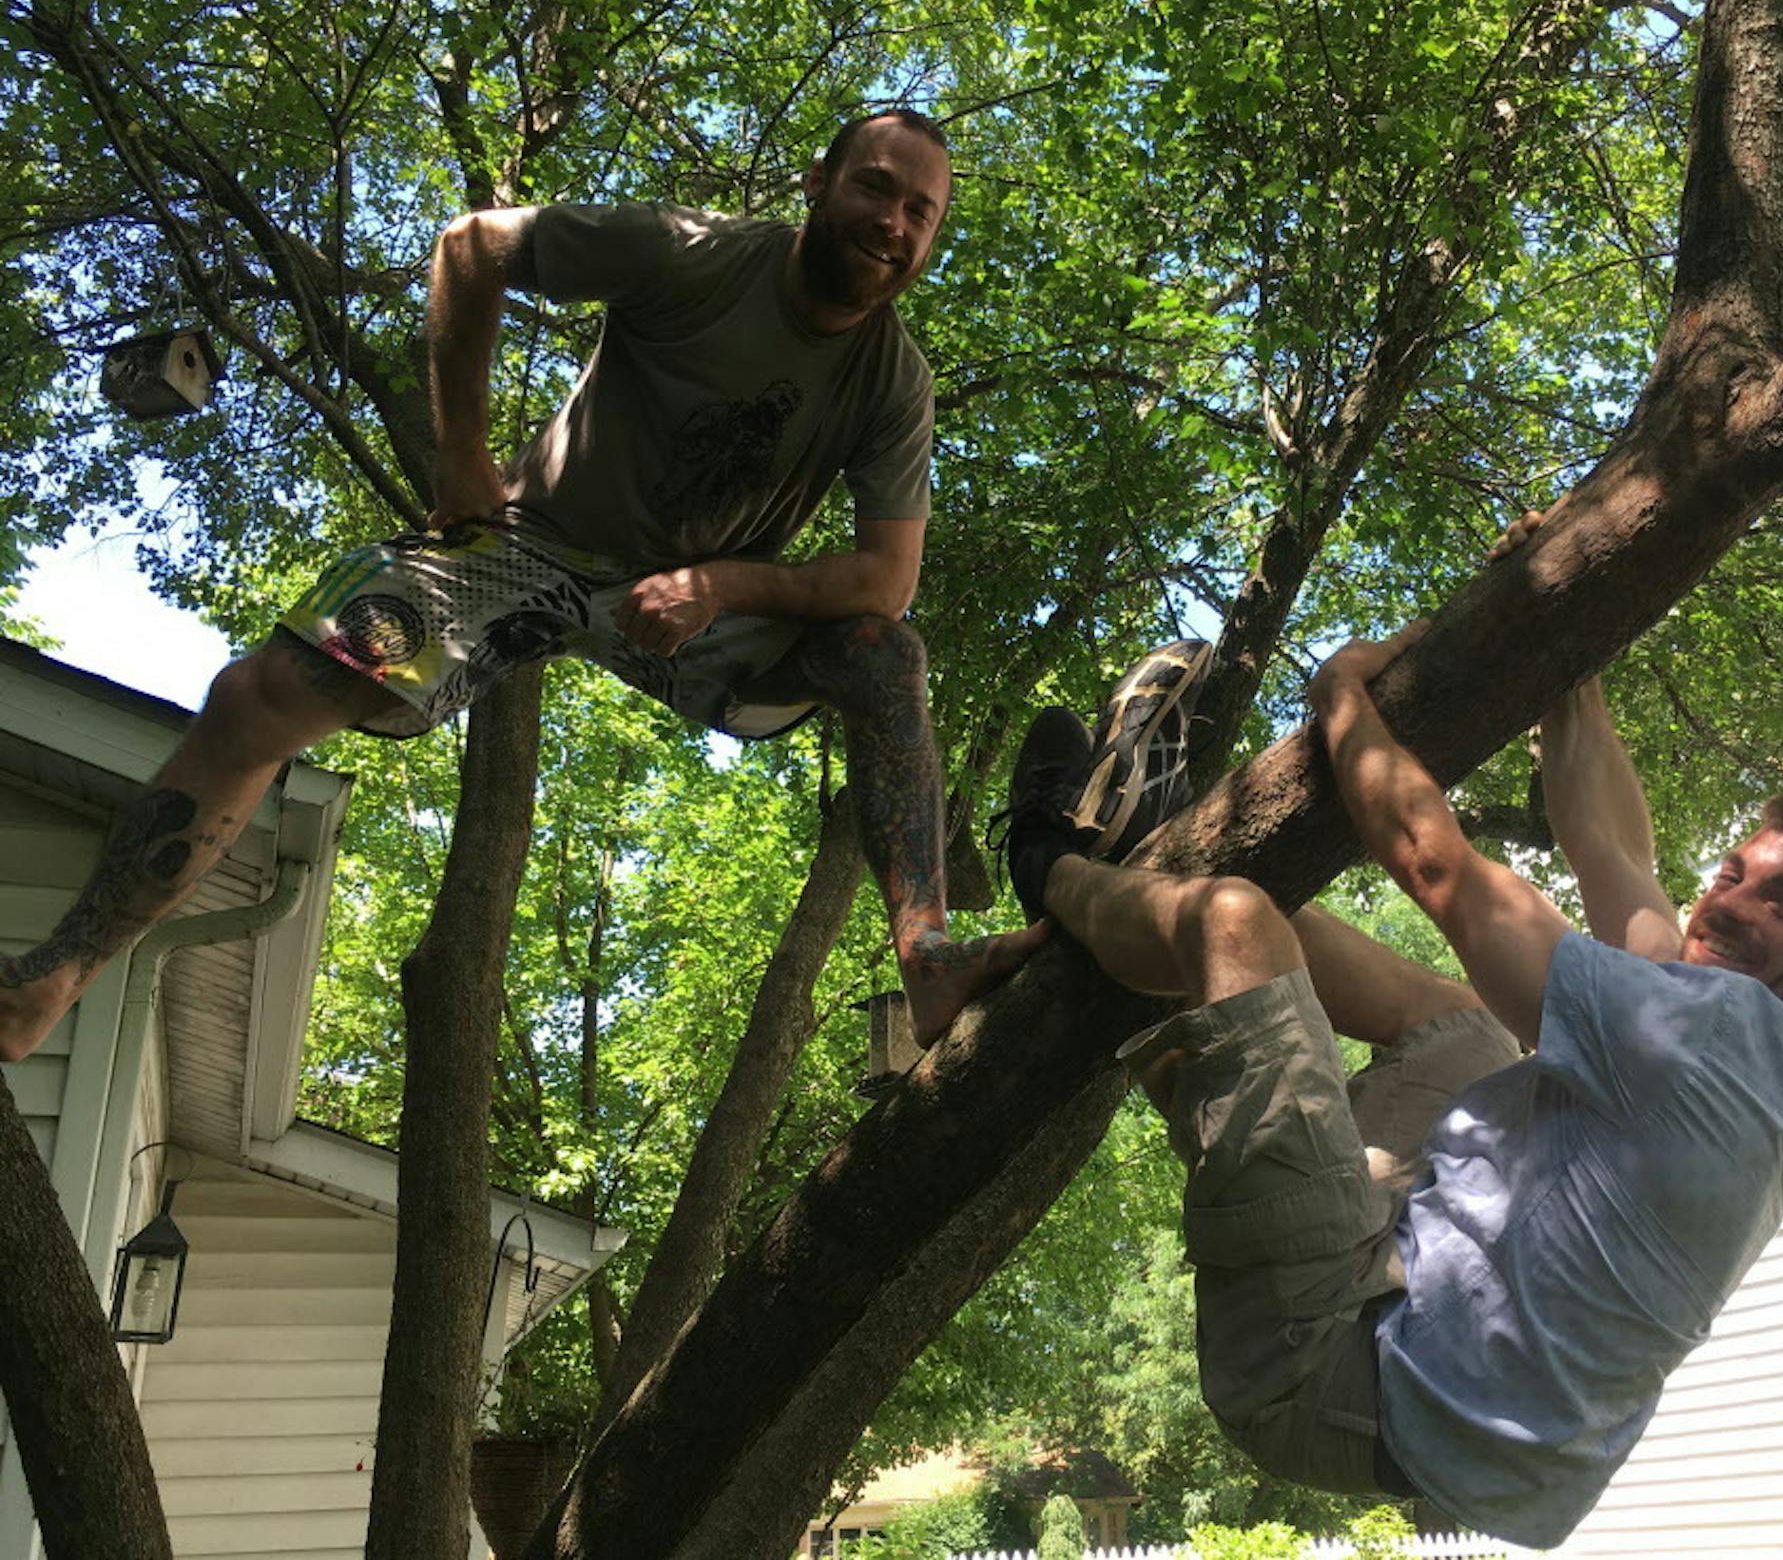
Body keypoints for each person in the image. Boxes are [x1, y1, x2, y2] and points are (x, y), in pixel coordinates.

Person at [0, 109, 1041, 1064]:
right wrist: (461, 460)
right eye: (875, 187)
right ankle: (55, 977)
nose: (893, 223)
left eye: (921, 211)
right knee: (253, 701)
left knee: (882, 651)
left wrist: (717, 584)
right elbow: (470, 247)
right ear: (818, 185)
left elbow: (885, 578)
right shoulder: (690, 252)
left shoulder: (894, 381)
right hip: (529, 550)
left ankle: (931, 959)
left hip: (702, 613)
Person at [992, 620, 1783, 1548]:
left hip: (1329, 1372)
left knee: (1235, 925)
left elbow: (1432, 856)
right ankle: (1158, 865)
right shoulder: (1772, 1069)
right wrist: (1574, 665)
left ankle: (1048, 862)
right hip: (1421, 1340)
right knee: (1464, 1022)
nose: (1729, 904)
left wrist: (1341, 696)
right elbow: (1618, 857)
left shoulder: (1708, 1045)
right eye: (1734, 874)